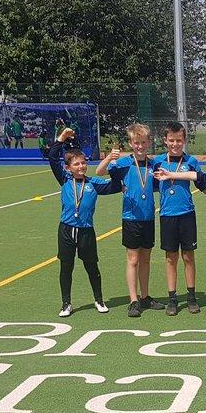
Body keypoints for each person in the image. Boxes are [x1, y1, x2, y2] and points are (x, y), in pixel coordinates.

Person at [46, 134, 120, 318]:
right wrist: (61, 139)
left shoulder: (93, 183)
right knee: (66, 267)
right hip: (66, 230)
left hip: (86, 231)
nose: (81, 167)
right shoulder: (64, 179)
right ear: (68, 168)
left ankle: (99, 300)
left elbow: (114, 186)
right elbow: (52, 158)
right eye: (76, 164)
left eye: (83, 163)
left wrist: (112, 162)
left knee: (91, 266)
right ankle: (66, 303)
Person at [149, 121, 206, 315]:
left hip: (186, 215)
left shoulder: (191, 161)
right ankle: (172, 298)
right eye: (171, 140)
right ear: (165, 141)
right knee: (170, 258)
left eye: (179, 140)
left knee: (188, 256)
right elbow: (149, 185)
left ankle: (191, 297)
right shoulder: (158, 161)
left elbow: (202, 185)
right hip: (167, 215)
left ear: (184, 140)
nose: (175, 144)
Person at [108, 123, 163, 317]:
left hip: (148, 217)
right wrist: (109, 158)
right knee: (133, 259)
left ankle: (145, 296)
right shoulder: (124, 163)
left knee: (146, 259)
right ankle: (133, 300)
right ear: (131, 143)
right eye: (136, 143)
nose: (140, 146)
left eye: (143, 142)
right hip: (131, 218)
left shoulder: (154, 163)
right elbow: (100, 172)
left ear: (149, 143)